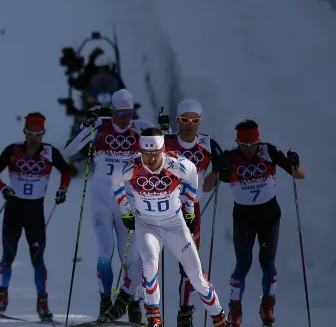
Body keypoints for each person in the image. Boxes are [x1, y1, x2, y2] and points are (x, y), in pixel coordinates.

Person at [110, 126, 229, 327]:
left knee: (196, 276)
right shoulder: (131, 166)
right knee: (149, 265)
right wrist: (125, 210)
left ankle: (220, 318)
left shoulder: (177, 164)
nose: (151, 159)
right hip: (147, 225)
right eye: (146, 153)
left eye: (156, 153)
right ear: (141, 151)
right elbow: (115, 180)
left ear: (163, 150)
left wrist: (190, 210)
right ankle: (154, 317)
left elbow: (193, 177)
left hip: (174, 224)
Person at [63, 88, 143, 322]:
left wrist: (163, 129)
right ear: (113, 111)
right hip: (102, 201)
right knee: (106, 251)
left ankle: (134, 303)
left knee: (129, 257)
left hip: (127, 202)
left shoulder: (139, 128)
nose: (125, 119)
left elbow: (165, 145)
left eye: (129, 113)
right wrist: (85, 126)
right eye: (120, 114)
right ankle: (105, 301)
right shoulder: (100, 126)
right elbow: (69, 150)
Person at [215, 120, 304, 327]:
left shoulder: (269, 151)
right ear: (237, 142)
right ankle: (235, 308)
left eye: (252, 144)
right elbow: (211, 186)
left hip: (269, 216)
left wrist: (295, 163)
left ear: (258, 140)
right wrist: (218, 171)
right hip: (244, 218)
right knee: (243, 264)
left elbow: (299, 176)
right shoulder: (231, 156)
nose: (249, 149)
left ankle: (268, 304)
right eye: (244, 145)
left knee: (268, 263)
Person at [0, 112, 73, 322]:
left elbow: (67, 171)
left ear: (44, 133)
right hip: (14, 209)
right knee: (8, 255)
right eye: (30, 133)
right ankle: (1, 298)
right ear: (24, 132)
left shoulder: (50, 152)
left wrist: (62, 189)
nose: (34, 138)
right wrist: (3, 188)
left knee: (37, 258)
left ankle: (42, 304)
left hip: (35, 211)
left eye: (38, 133)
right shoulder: (13, 150)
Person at [162, 99, 222, 327]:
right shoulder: (165, 141)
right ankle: (144, 308)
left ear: (199, 121)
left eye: (194, 120)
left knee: (190, 266)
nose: (189, 125)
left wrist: (218, 170)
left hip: (190, 210)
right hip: (161, 205)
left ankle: (185, 313)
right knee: (148, 259)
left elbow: (213, 179)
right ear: (178, 120)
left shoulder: (208, 144)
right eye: (185, 120)